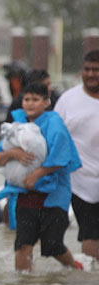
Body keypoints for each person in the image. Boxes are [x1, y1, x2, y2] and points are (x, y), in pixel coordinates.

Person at [0, 82, 82, 271]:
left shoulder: (54, 124)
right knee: (23, 245)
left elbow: (63, 156)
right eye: (26, 99)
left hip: (53, 196)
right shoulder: (16, 125)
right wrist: (13, 153)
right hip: (25, 195)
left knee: (52, 245)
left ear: (46, 102)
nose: (30, 104)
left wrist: (38, 174)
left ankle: (75, 269)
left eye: (35, 99)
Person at [54, 49, 99, 260]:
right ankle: (89, 282)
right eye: (87, 69)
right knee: (90, 233)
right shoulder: (68, 100)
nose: (90, 74)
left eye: (96, 70)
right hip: (80, 182)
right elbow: (53, 138)